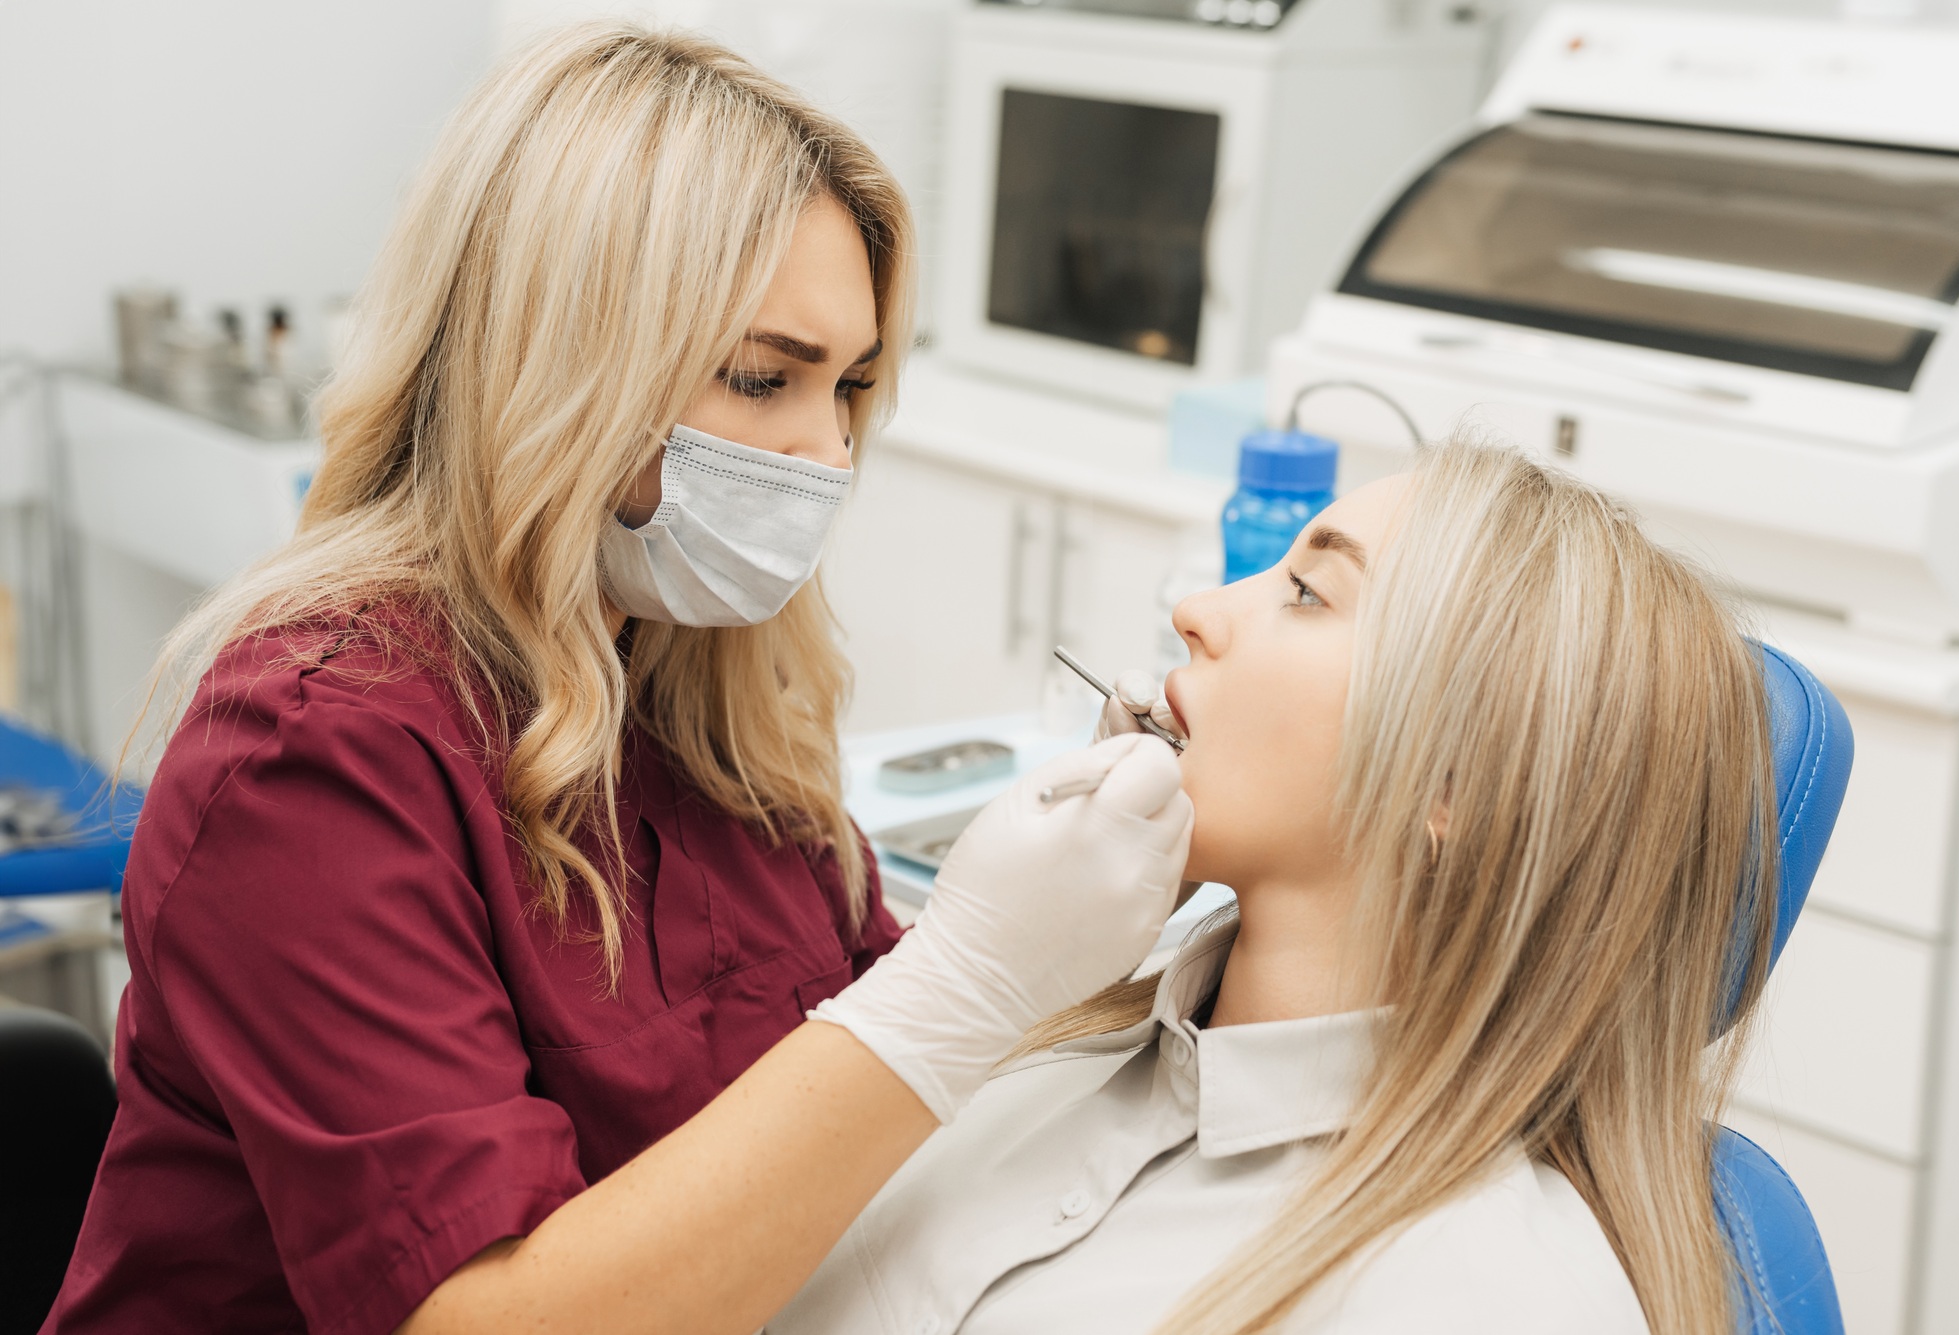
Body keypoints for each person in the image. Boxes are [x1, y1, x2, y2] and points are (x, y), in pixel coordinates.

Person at [43, 25, 1192, 1335]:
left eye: (853, 387)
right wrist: (972, 977)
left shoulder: (697, 697)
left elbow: (863, 1086)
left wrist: (1106, 924)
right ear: (559, 358)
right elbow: (486, 1313)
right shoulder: (312, 752)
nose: (824, 452)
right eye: (765, 377)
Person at [773, 441, 1778, 1335]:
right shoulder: (1044, 1048)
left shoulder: (1492, 1298)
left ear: (1455, 783)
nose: (1195, 612)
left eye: (1307, 592)